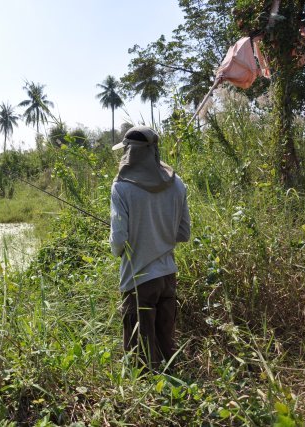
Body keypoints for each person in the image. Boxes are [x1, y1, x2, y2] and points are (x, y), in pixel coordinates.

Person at [109, 126, 190, 372]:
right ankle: (178, 394)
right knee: (167, 346)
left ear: (130, 152)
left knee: (142, 359)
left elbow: (118, 240)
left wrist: (123, 247)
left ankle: (155, 404)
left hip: (138, 280)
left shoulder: (121, 187)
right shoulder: (177, 184)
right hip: (168, 277)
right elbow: (183, 233)